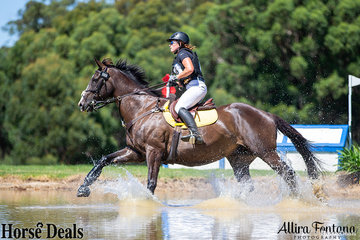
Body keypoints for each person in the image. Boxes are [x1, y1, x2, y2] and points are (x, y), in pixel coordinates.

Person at [167, 31, 207, 144]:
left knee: (179, 107)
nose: (170, 45)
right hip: (193, 87)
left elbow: (190, 69)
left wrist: (176, 77)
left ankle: (195, 133)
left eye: (172, 42)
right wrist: (177, 82)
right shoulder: (182, 54)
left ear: (180, 43)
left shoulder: (182, 53)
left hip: (197, 87)